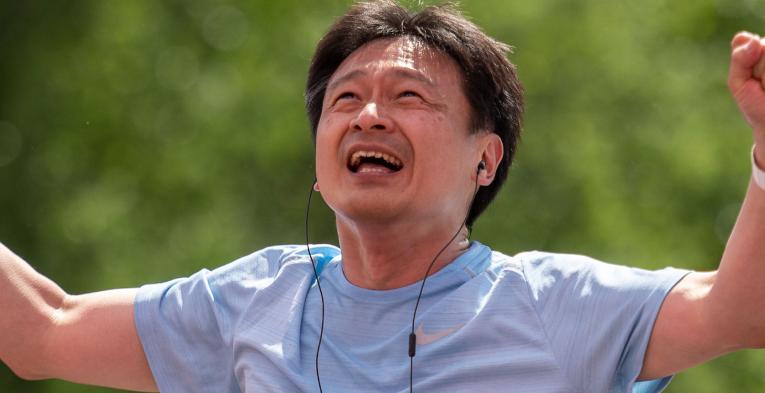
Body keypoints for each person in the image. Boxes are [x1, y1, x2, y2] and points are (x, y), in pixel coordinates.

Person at [2, 1, 765, 392]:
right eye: (345, 101)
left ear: (485, 158)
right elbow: (43, 329)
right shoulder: (252, 301)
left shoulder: (555, 304)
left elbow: (741, 311)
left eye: (408, 95)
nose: (369, 114)